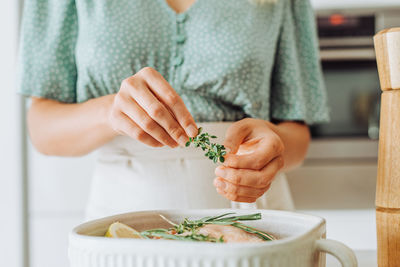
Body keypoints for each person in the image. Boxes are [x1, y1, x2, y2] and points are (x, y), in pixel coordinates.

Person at [18, 0, 329, 220]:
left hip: (252, 219)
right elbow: (42, 129)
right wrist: (109, 111)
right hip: (122, 223)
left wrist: (273, 142)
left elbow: (297, 137)